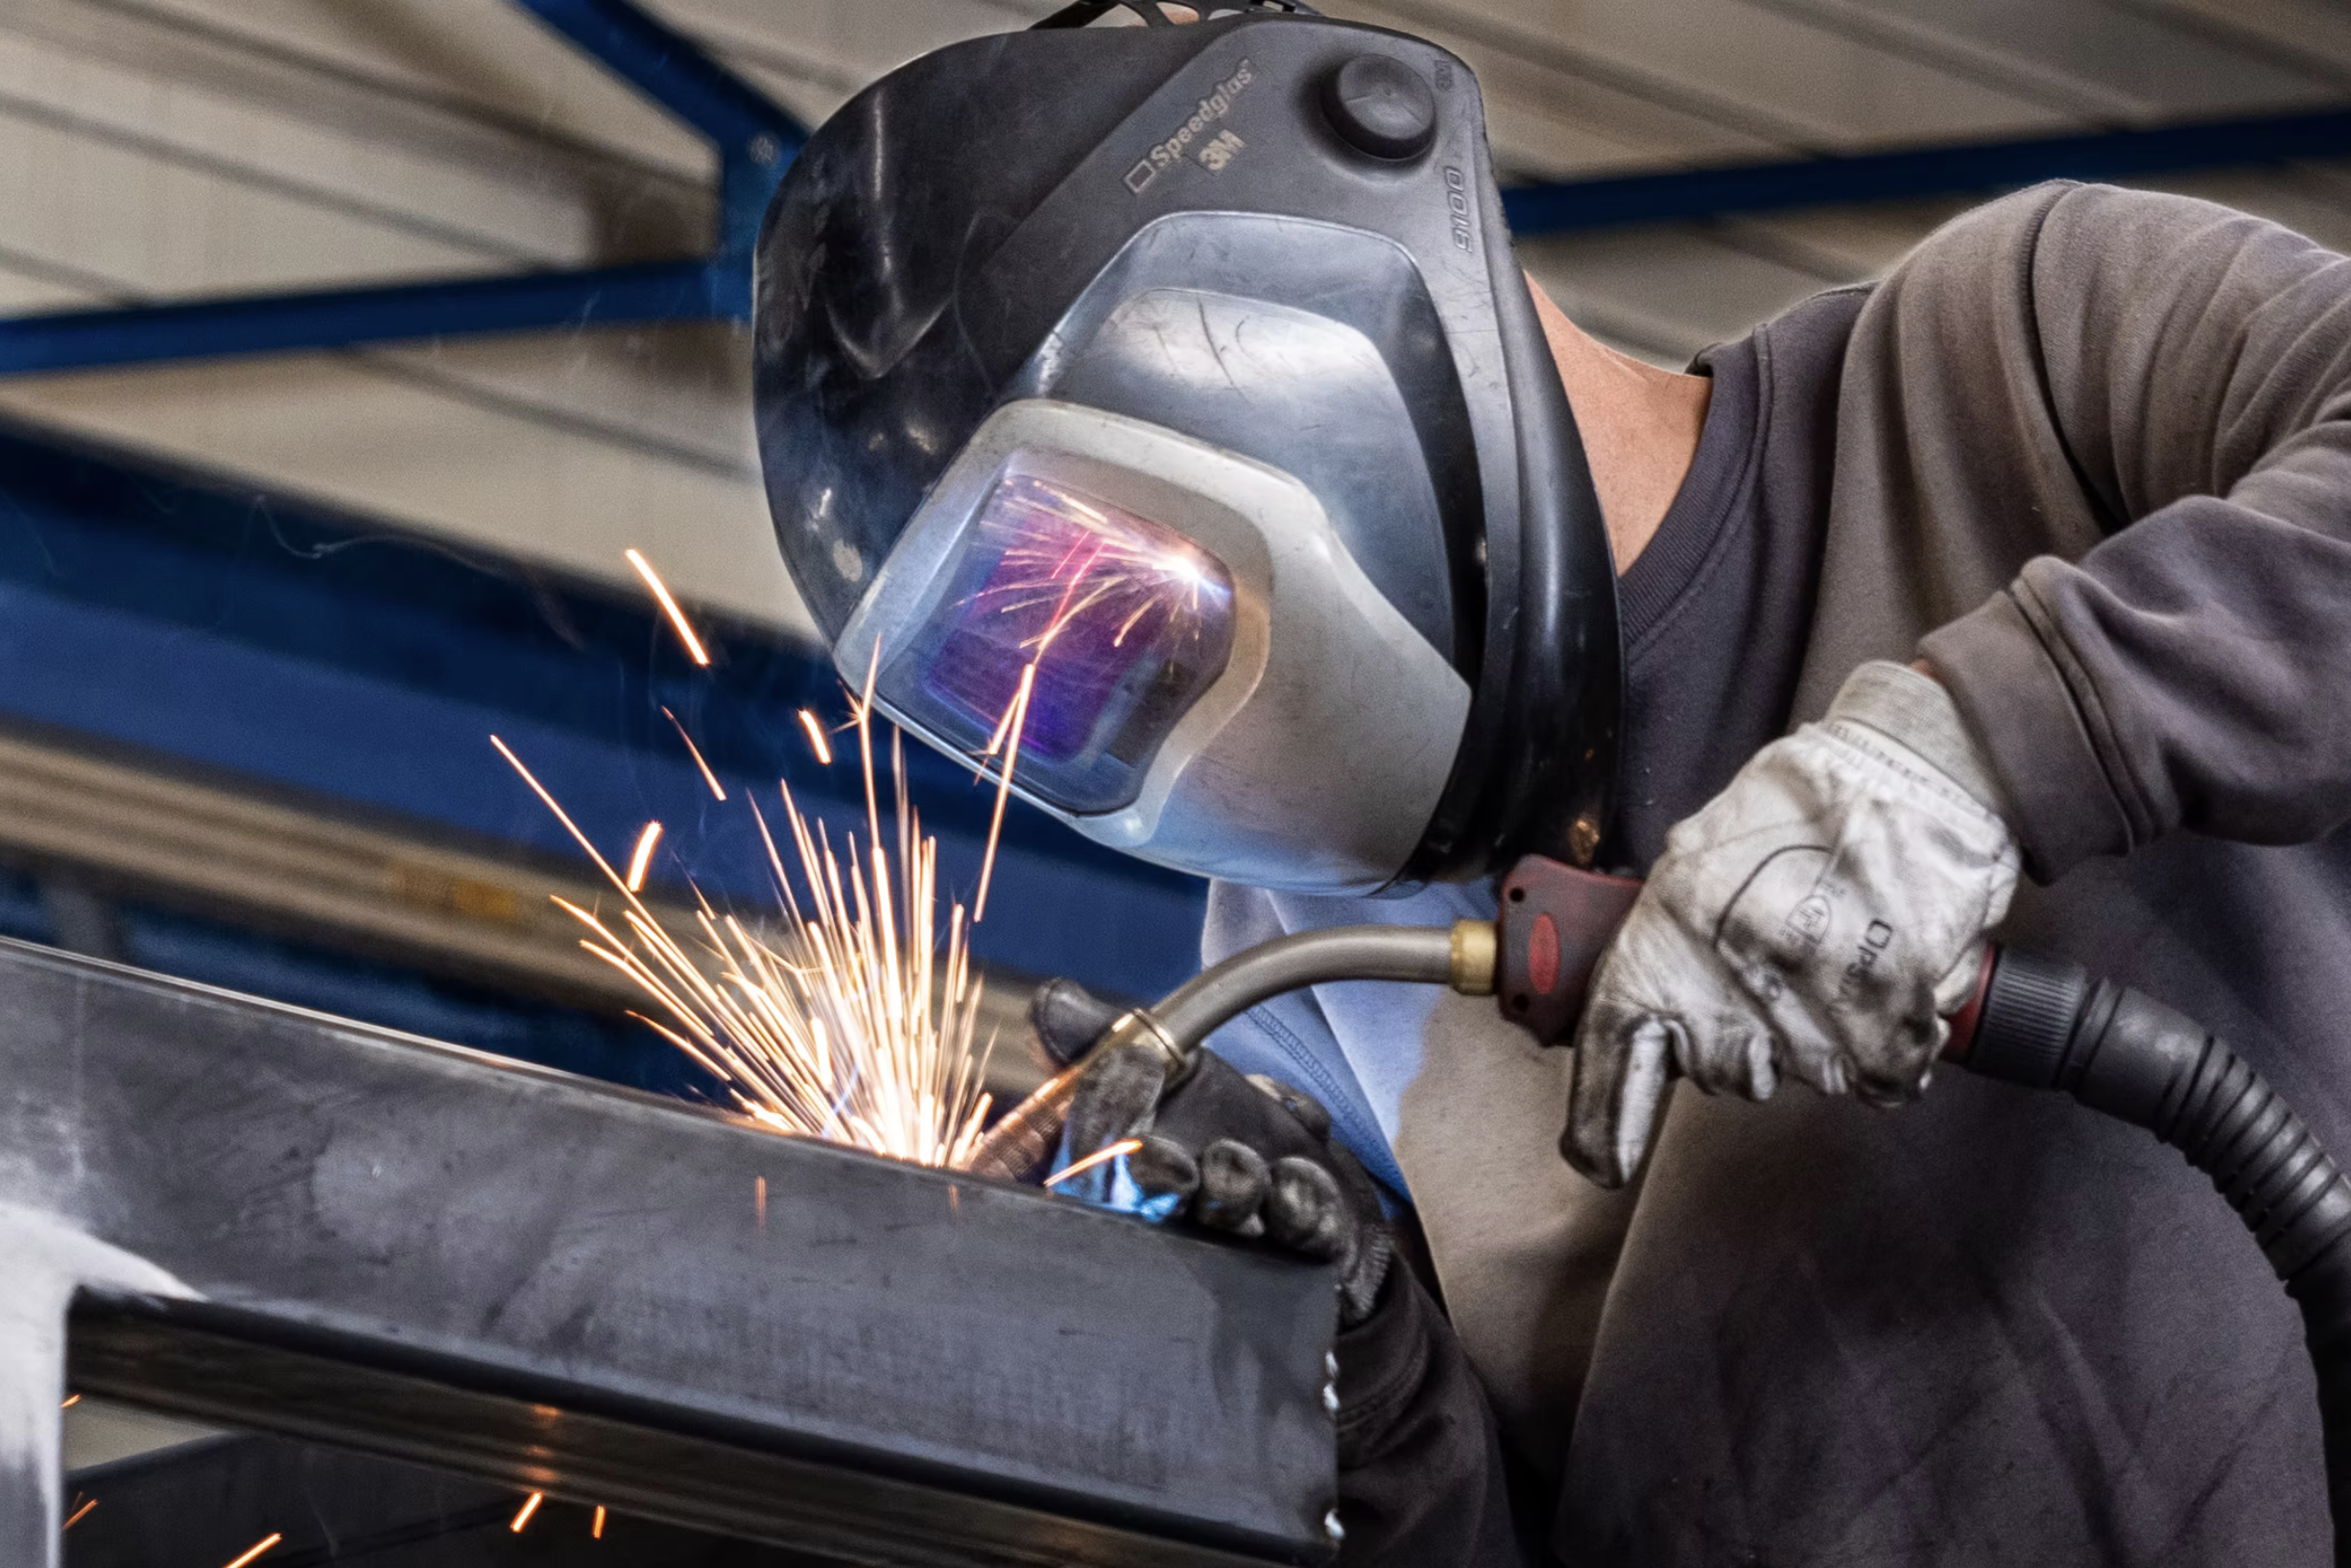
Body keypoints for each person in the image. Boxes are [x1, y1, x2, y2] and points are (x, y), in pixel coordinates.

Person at [751, 5, 2351, 1561]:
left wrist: (1982, 744)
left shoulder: (2009, 358)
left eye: (1115, 597)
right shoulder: (1300, 975)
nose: (1118, 675)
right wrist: (1369, 1413)